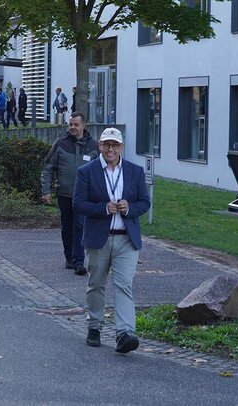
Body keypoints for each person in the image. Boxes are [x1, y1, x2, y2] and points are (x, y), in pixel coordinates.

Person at [73, 128, 150, 354]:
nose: (110, 149)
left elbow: (145, 202)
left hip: (126, 239)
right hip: (99, 238)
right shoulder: (87, 171)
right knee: (96, 284)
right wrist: (104, 208)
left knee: (123, 285)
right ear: (100, 146)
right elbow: (78, 204)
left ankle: (125, 333)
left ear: (121, 148)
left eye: (115, 145)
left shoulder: (135, 171)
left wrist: (130, 208)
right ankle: (94, 326)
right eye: (106, 145)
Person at [41, 112, 99, 275]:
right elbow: (48, 168)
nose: (72, 127)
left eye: (76, 124)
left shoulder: (94, 146)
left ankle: (78, 261)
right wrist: (46, 190)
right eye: (70, 124)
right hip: (64, 194)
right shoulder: (60, 144)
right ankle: (69, 257)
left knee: (80, 225)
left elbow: (101, 171)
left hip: (84, 196)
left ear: (84, 125)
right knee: (67, 227)